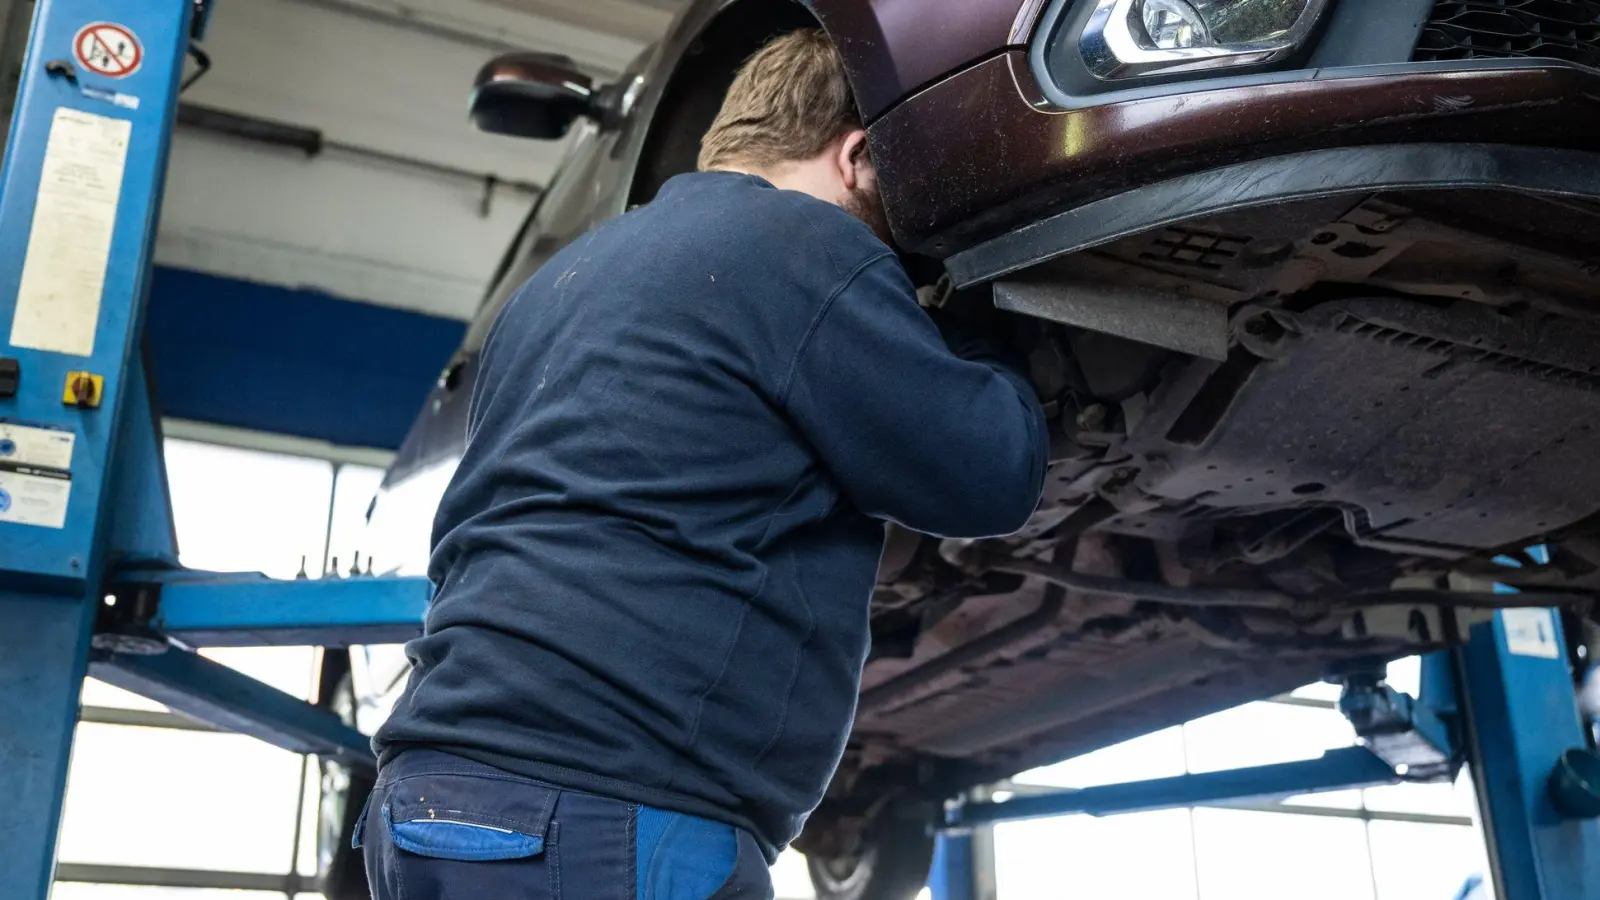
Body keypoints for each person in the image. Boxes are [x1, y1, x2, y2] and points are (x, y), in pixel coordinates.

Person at [359, 28, 1048, 900]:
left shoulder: (559, 283)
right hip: (604, 808)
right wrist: (980, 313)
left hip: (426, 802)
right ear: (857, 157)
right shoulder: (801, 242)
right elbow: (989, 472)